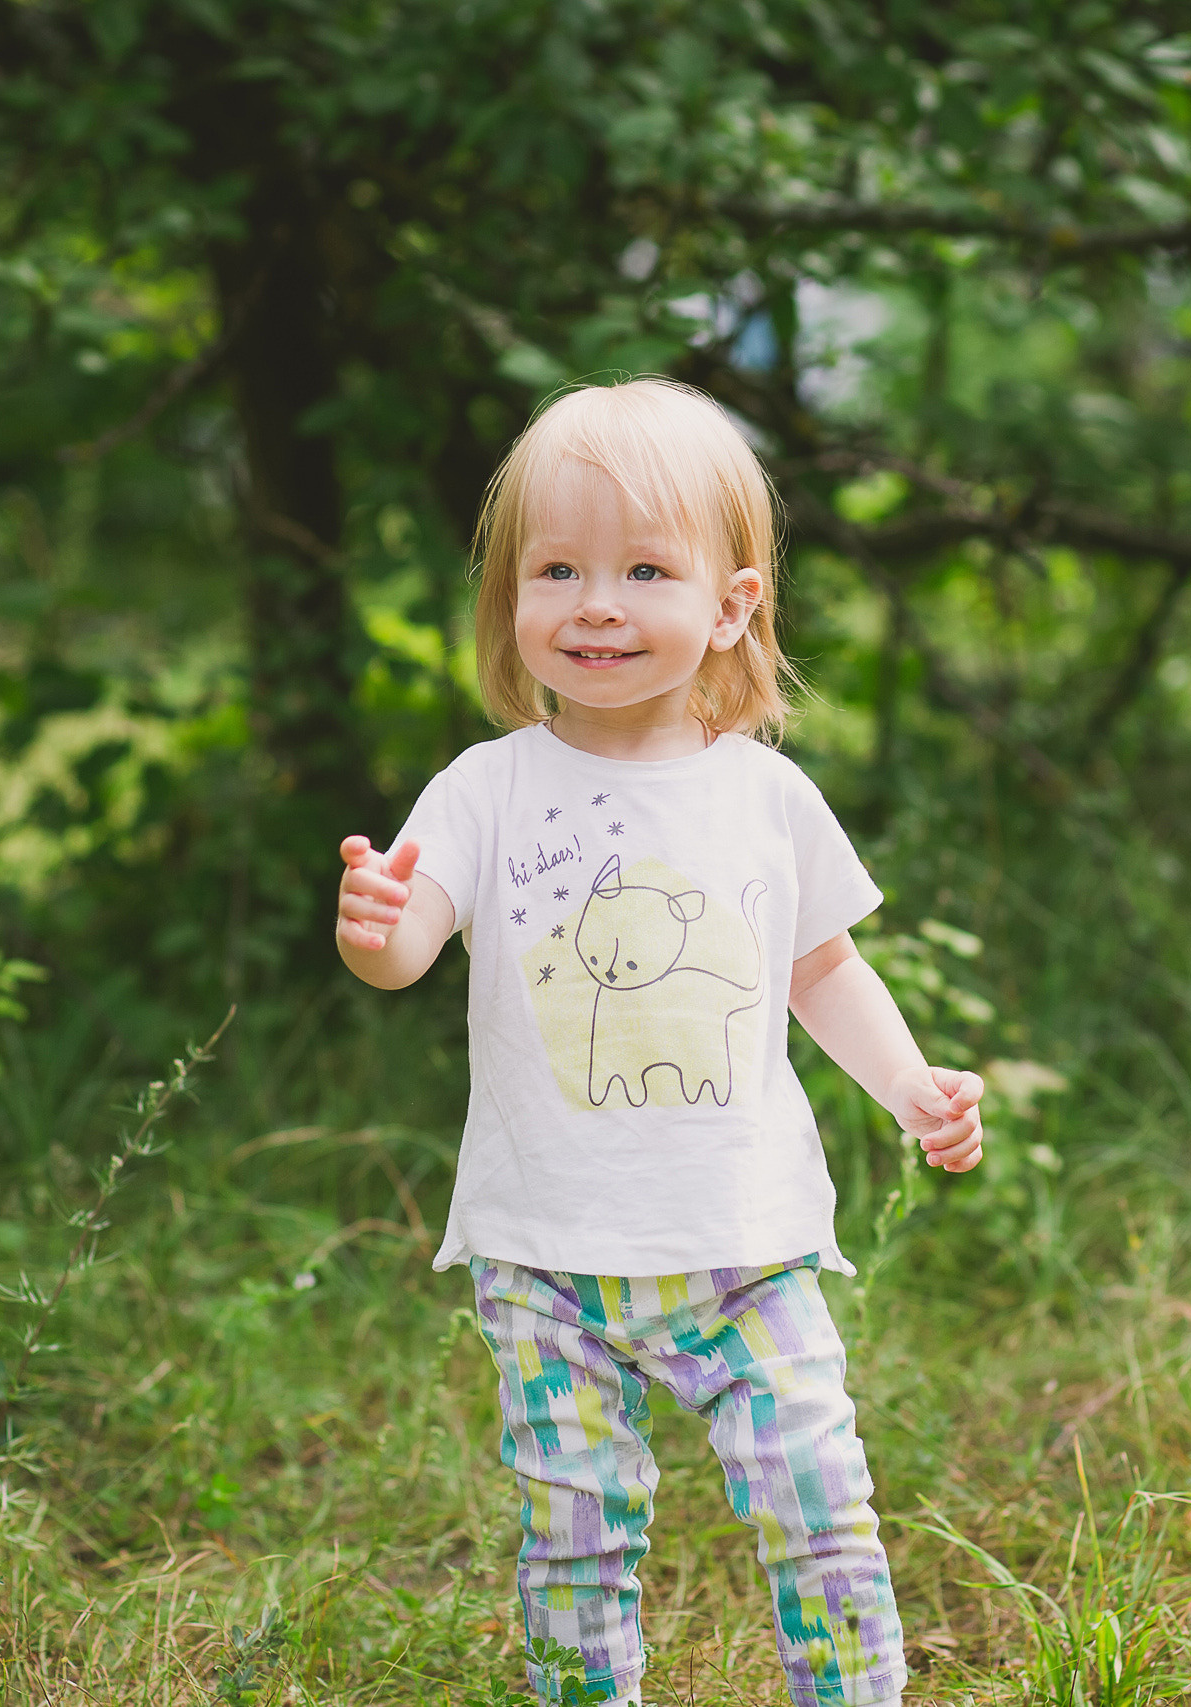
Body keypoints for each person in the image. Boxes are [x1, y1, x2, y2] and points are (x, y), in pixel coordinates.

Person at [332, 376, 985, 1707]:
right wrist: (371, 922)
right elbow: (401, 956)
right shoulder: (486, 787)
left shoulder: (764, 797)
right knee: (575, 1540)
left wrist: (913, 1086)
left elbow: (824, 968)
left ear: (733, 602)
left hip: (746, 1241)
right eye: (556, 569)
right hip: (543, 1254)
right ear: (512, 596)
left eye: (643, 568)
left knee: (820, 1504)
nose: (597, 604)